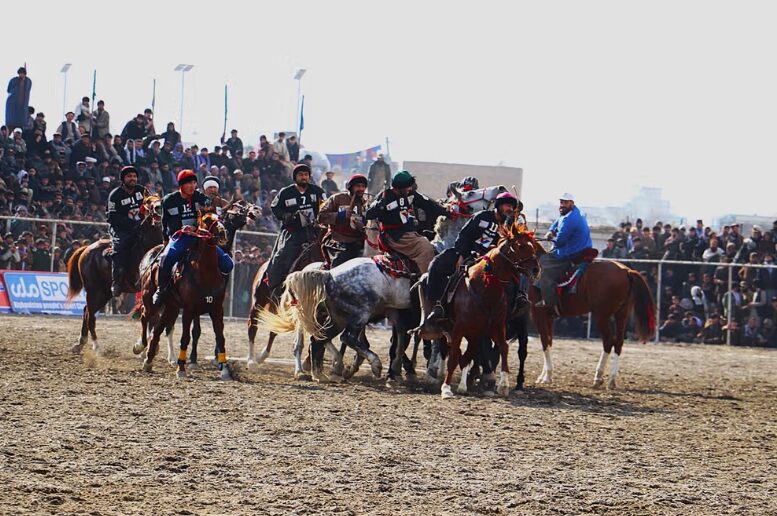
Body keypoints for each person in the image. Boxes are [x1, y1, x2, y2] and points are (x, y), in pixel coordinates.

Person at [420, 191, 522, 333]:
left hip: (493, 261)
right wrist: (461, 255)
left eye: (512, 206)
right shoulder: (482, 216)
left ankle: (518, 303)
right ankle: (437, 307)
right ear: (498, 206)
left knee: (519, 273)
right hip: (468, 254)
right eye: (506, 205)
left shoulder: (510, 225)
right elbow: (465, 235)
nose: (509, 209)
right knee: (436, 265)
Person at [153, 170, 233, 305]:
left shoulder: (200, 197)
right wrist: (166, 240)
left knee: (228, 264)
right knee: (165, 258)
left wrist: (196, 226)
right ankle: (161, 290)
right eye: (189, 183)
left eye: (194, 183)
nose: (192, 186)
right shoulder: (169, 200)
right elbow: (164, 223)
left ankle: (216, 290)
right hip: (179, 237)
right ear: (181, 185)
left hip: (200, 237)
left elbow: (210, 209)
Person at [365, 170, 447, 274]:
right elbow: (369, 214)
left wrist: (446, 212)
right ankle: (428, 281)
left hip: (409, 232)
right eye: (407, 187)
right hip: (395, 236)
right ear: (400, 187)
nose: (410, 189)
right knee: (425, 247)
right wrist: (382, 203)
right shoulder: (385, 196)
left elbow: (428, 204)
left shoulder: (410, 194)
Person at [265, 163, 325, 293]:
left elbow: (325, 207)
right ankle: (274, 285)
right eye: (300, 175)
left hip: (314, 231)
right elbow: (275, 208)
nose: (304, 177)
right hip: (292, 232)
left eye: (306, 175)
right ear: (295, 177)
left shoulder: (318, 191)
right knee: (283, 254)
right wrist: (286, 216)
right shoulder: (285, 192)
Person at [535, 192, 593, 314]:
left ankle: (550, 304)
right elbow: (557, 222)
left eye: (565, 202)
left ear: (572, 203)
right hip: (580, 249)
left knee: (544, 266)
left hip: (572, 253)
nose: (562, 205)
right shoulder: (571, 213)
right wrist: (551, 231)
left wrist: (550, 238)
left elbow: (560, 241)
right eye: (561, 202)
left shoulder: (570, 219)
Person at [106, 166, 146, 297]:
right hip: (120, 229)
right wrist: (132, 224)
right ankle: (117, 282)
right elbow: (112, 217)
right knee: (121, 247)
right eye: (129, 176)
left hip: (141, 227)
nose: (132, 178)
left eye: (134, 176)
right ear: (123, 179)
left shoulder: (142, 191)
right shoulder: (115, 194)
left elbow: (151, 206)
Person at [317, 174, 368, 267]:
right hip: (337, 239)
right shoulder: (337, 198)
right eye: (358, 186)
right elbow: (321, 216)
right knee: (340, 263)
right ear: (351, 187)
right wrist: (340, 215)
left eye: (363, 186)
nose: (361, 189)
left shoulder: (365, 203)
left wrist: (363, 225)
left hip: (358, 240)